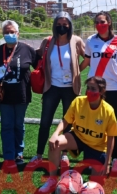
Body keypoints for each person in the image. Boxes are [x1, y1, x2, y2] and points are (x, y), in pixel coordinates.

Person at [36, 76, 117, 194]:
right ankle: (52, 180)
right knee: (55, 143)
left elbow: (111, 137)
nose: (89, 91)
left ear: (102, 91)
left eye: (93, 89)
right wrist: (55, 134)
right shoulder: (78, 101)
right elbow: (65, 121)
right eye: (88, 88)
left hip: (97, 146)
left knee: (95, 188)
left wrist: (108, 163)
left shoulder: (108, 111)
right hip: (78, 138)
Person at [29, 12, 85, 168]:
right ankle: (39, 155)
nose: (62, 26)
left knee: (68, 123)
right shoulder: (48, 41)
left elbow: (88, 57)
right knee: (45, 122)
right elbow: (38, 57)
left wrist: (78, 71)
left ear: (70, 26)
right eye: (59, 24)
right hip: (51, 87)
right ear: (54, 25)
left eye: (65, 24)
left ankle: (65, 155)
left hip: (70, 88)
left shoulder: (76, 41)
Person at [79, 11, 117, 171]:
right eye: (97, 22)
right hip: (93, 89)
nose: (100, 25)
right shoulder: (91, 40)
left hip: (112, 89)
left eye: (103, 22)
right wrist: (75, 73)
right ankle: (91, 159)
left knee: (111, 126)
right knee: (91, 124)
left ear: (109, 22)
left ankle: (114, 159)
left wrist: (112, 73)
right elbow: (86, 61)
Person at [0, 20, 38, 167]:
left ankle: (19, 153)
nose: (10, 34)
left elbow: (39, 68)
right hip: (3, 95)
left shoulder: (27, 50)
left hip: (22, 94)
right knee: (6, 125)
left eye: (12, 32)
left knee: (19, 124)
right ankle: (8, 156)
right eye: (6, 32)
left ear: (18, 33)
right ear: (3, 34)